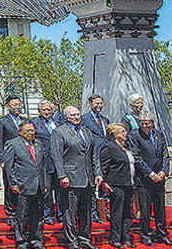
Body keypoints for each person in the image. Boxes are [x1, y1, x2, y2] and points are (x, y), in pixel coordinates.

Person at [51, 106, 102, 249]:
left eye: (78, 114)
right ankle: (72, 241)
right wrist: (62, 175)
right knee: (70, 213)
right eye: (72, 115)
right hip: (70, 179)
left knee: (86, 212)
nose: (76, 117)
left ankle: (85, 239)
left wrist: (97, 173)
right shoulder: (59, 132)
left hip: (88, 179)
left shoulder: (86, 131)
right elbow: (57, 156)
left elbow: (94, 154)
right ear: (66, 117)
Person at [129, 111, 170, 246]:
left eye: (147, 123)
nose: (144, 126)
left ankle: (162, 233)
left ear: (153, 122)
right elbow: (137, 157)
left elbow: (165, 155)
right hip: (145, 179)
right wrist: (151, 173)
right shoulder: (135, 135)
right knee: (145, 209)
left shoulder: (159, 134)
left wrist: (163, 171)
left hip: (159, 178)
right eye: (142, 123)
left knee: (160, 208)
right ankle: (146, 234)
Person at [5, 121, 47, 249]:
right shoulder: (12, 144)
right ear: (20, 132)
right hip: (23, 186)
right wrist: (13, 184)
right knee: (21, 216)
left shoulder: (38, 144)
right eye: (27, 130)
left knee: (38, 215)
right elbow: (9, 166)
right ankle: (21, 241)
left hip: (38, 186)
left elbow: (43, 166)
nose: (31, 133)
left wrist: (44, 183)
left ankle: (36, 240)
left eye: (32, 130)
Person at [100, 123, 136, 249]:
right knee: (117, 213)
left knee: (128, 213)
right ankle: (115, 239)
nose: (125, 133)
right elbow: (103, 166)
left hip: (129, 184)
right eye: (122, 131)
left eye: (125, 131)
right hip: (116, 184)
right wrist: (104, 182)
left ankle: (126, 238)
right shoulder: (109, 147)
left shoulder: (126, 146)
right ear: (114, 133)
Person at [0, 96, 26, 219]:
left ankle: (22, 213)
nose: (17, 107)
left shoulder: (25, 121)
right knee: (10, 187)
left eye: (19, 104)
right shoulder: (2, 121)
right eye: (14, 105)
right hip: (9, 160)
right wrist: (2, 160)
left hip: (23, 160)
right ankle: (11, 214)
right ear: (8, 106)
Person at [81, 93, 110, 222]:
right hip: (92, 156)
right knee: (93, 186)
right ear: (91, 104)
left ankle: (104, 210)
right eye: (96, 103)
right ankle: (92, 212)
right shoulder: (84, 119)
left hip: (105, 156)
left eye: (101, 103)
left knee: (104, 185)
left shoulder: (105, 120)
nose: (99, 105)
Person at [33, 100, 62, 224]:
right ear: (39, 111)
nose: (46, 112)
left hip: (59, 162)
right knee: (47, 190)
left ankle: (61, 214)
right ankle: (48, 215)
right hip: (44, 161)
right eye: (44, 110)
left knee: (61, 191)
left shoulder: (58, 123)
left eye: (48, 110)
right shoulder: (34, 123)